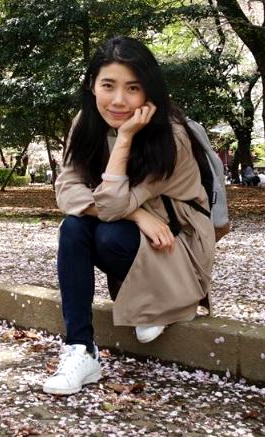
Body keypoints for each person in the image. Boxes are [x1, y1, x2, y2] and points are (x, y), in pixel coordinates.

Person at [43, 36, 215, 395]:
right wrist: (138, 215)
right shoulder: (85, 123)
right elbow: (67, 189)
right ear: (92, 85)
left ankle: (161, 300)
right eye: (108, 85)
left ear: (149, 91)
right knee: (73, 228)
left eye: (132, 88)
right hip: (136, 232)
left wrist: (124, 139)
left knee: (107, 234)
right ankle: (80, 349)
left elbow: (111, 207)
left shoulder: (171, 136)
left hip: (176, 246)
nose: (119, 100)